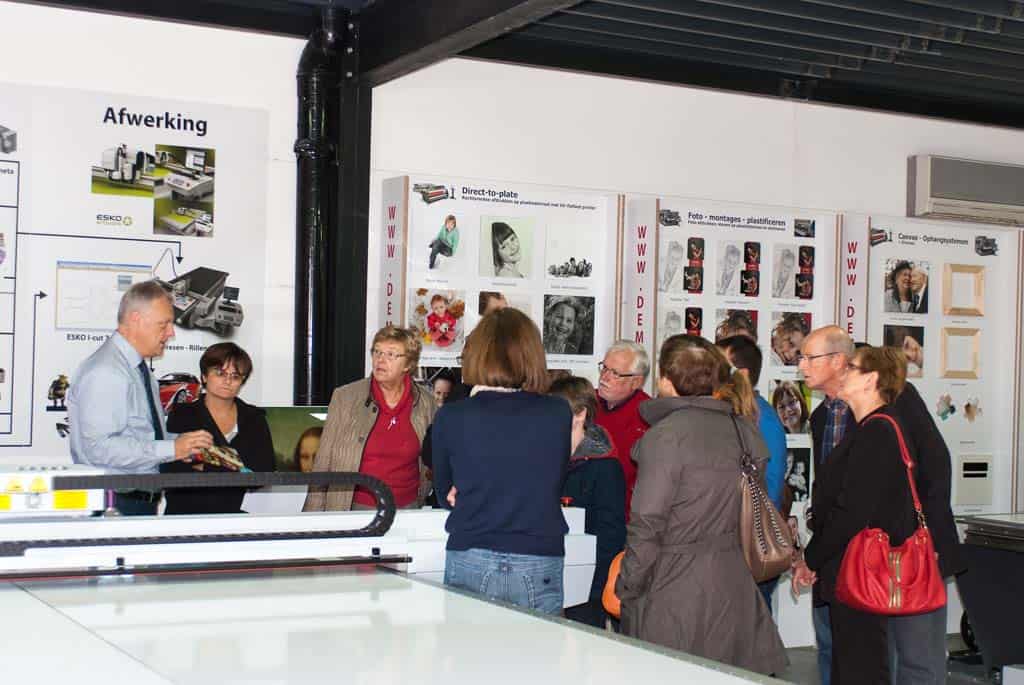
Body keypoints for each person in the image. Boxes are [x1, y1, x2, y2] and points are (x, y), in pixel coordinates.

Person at [798, 326, 965, 685]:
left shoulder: (892, 408)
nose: (802, 366)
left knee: (913, 657)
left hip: (900, 550)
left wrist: (919, 533)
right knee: (844, 650)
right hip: (846, 554)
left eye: (810, 357)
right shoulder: (822, 416)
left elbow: (933, 465)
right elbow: (836, 489)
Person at [616, 335, 787, 675]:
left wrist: (628, 586)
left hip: (672, 589)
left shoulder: (666, 437)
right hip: (734, 584)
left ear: (666, 380)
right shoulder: (743, 428)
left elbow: (647, 524)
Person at [793, 346, 920, 684]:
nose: (843, 372)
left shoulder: (878, 430)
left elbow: (851, 511)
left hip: (862, 571)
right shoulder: (873, 428)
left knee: (860, 669)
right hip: (858, 569)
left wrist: (812, 558)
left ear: (871, 380)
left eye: (852, 367)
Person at [432, 308, 570, 614]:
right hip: (538, 553)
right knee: (539, 646)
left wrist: (464, 491)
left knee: (467, 645)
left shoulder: (452, 416)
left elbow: (444, 494)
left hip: (471, 549)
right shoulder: (557, 412)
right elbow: (553, 480)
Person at [68, 281, 213, 515]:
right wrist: (172, 448)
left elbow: (140, 435)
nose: (171, 333)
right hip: (114, 505)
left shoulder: (136, 369)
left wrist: (183, 444)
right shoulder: (107, 371)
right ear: (136, 319)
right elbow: (99, 448)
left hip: (131, 502)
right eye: (164, 324)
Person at [303, 326, 436, 511]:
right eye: (377, 352)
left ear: (408, 365)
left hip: (407, 508)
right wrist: (313, 517)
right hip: (355, 507)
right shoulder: (345, 397)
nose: (381, 359)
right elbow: (323, 462)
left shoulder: (426, 402)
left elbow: (431, 461)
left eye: (391, 354)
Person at [718, 335, 788, 614]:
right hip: (729, 547)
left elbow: (769, 491)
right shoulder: (730, 415)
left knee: (752, 626)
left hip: (749, 548)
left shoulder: (764, 420)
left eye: (719, 364)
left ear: (742, 374)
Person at [549, 376, 626, 628]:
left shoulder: (605, 467)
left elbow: (610, 535)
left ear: (580, 414)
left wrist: (593, 590)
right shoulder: (545, 457)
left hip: (587, 590)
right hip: (549, 577)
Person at [162, 343, 274, 515]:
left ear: (242, 381)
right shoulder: (182, 414)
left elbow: (263, 472)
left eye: (235, 376)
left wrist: (205, 461)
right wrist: (237, 464)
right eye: (220, 373)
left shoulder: (254, 418)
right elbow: (172, 467)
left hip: (232, 516)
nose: (228, 381)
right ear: (204, 376)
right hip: (184, 516)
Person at [594, 340, 651, 518]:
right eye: (604, 368)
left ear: (636, 382)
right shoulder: (587, 403)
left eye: (615, 373)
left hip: (625, 516)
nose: (604, 377)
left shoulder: (648, 416)